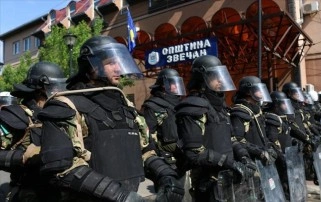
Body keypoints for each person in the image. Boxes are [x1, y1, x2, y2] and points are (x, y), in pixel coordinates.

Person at [38, 35, 184, 202]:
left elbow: (145, 151)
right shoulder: (65, 106)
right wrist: (119, 195)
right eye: (110, 63)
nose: (118, 69)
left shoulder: (126, 107)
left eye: (119, 62)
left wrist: (166, 175)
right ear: (91, 66)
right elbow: (62, 168)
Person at [175, 55, 255, 202]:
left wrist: (244, 157)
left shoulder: (221, 108)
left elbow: (231, 139)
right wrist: (230, 163)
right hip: (208, 182)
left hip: (228, 178)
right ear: (202, 79)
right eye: (214, 77)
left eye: (220, 76)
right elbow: (194, 152)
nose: (220, 80)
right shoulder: (193, 107)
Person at [0, 61, 67, 201]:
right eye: (56, 90)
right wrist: (23, 157)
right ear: (40, 91)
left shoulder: (61, 115)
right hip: (29, 194)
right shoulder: (15, 116)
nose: (59, 94)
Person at [141, 68, 186, 181]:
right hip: (167, 160)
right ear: (164, 86)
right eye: (173, 84)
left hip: (183, 158)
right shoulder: (153, 106)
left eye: (177, 84)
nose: (176, 87)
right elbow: (147, 136)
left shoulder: (180, 104)